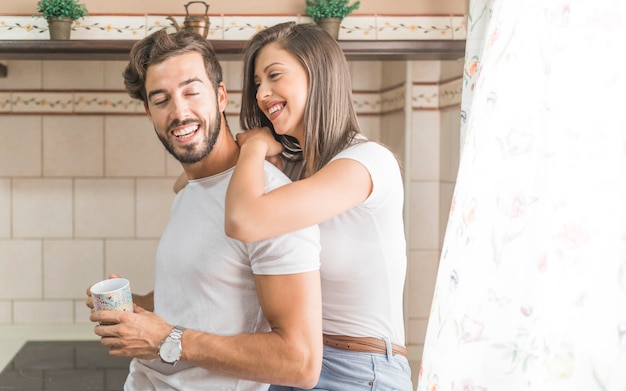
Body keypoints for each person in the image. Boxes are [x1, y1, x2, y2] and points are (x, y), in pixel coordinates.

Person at [86, 28, 323, 391]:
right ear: (149, 113)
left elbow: (300, 362)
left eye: (192, 92)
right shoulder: (189, 192)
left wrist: (168, 338)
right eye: (161, 99)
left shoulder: (270, 202)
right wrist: (135, 313)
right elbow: (202, 302)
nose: (180, 112)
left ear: (221, 95)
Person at [224, 21, 413, 390]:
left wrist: (254, 147)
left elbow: (242, 219)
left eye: (274, 76)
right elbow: (191, 181)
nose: (262, 93)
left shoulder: (367, 163)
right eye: (257, 83)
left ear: (319, 76)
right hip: (289, 361)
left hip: (360, 370)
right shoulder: (291, 169)